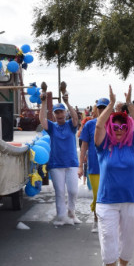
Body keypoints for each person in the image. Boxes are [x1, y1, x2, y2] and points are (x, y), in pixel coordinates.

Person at [94, 84, 134, 266]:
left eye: (123, 127)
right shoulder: (104, 148)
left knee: (130, 237)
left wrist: (129, 104)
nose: (119, 130)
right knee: (108, 237)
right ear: (110, 129)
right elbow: (98, 126)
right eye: (115, 127)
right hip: (107, 200)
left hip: (131, 199)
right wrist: (111, 105)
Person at [39, 95, 80, 226]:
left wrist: (67, 102)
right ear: (54, 115)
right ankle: (61, 216)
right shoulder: (52, 127)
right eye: (57, 112)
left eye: (61, 111)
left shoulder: (70, 126)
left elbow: (75, 118)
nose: (59, 114)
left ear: (65, 112)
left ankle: (71, 212)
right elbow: (42, 119)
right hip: (56, 164)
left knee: (73, 191)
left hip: (71, 163)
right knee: (60, 192)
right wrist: (44, 102)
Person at [79, 97, 109, 231]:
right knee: (98, 195)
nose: (102, 110)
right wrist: (80, 165)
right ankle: (96, 219)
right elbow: (84, 145)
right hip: (95, 167)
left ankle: (109, 221)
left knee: (110, 195)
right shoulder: (89, 125)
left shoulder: (116, 124)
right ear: (96, 109)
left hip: (112, 167)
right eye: (100, 107)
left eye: (105, 107)